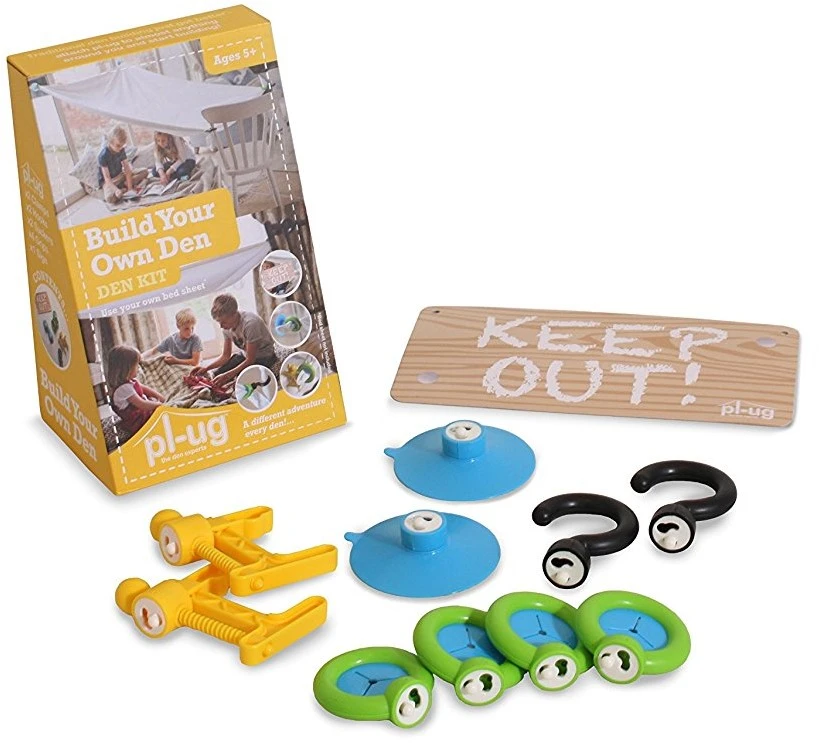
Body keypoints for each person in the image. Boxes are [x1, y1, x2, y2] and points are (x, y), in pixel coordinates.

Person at [191, 294, 278, 388]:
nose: (221, 326)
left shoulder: (251, 324)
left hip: (264, 357)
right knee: (216, 374)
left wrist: (228, 375)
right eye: (219, 322)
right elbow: (225, 356)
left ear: (234, 314)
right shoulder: (226, 328)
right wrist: (207, 368)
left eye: (224, 322)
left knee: (239, 381)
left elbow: (250, 359)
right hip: (244, 356)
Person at [106, 345, 164, 435]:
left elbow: (144, 389)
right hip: (136, 420)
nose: (139, 368)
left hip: (140, 410)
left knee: (153, 402)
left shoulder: (130, 381)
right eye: (136, 366)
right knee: (159, 414)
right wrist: (160, 405)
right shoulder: (124, 389)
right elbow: (142, 404)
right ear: (127, 370)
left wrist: (159, 397)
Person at [98, 125, 147, 203]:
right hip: (110, 181)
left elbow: (127, 169)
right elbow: (107, 178)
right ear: (110, 142)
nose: (120, 148)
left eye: (122, 145)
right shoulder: (103, 156)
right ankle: (122, 189)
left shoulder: (121, 150)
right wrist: (116, 190)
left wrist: (130, 188)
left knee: (145, 171)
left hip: (120, 175)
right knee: (110, 199)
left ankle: (126, 185)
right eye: (118, 145)